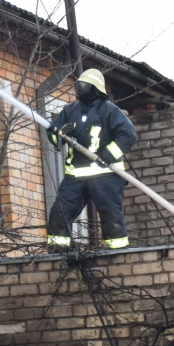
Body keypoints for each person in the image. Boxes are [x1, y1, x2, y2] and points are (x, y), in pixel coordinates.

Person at [47, 68, 137, 250]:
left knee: (110, 214)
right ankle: (59, 254)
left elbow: (128, 135)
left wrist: (107, 155)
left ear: (95, 89)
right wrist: (61, 134)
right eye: (77, 87)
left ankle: (119, 253)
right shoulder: (69, 111)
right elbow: (53, 133)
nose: (79, 91)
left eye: (83, 87)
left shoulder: (110, 111)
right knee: (60, 213)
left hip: (105, 174)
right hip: (76, 174)